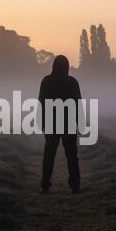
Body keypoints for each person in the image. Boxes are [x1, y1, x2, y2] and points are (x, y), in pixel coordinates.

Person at [38, 55, 82, 194]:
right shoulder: (72, 82)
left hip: (51, 123)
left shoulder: (46, 81)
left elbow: (41, 103)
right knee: (72, 156)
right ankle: (75, 185)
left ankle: (45, 184)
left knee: (49, 155)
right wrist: (79, 123)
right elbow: (77, 103)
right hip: (68, 123)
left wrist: (42, 122)